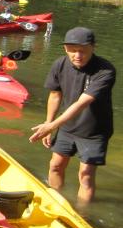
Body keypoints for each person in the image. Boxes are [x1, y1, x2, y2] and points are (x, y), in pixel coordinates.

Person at [29, 27, 115, 204]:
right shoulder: (60, 64)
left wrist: (51, 126)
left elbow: (82, 102)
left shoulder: (105, 71)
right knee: (55, 165)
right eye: (72, 50)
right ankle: (56, 203)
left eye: (82, 50)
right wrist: (48, 123)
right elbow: (55, 95)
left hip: (94, 131)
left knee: (85, 176)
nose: (77, 55)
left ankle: (82, 216)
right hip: (67, 126)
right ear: (65, 49)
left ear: (93, 47)